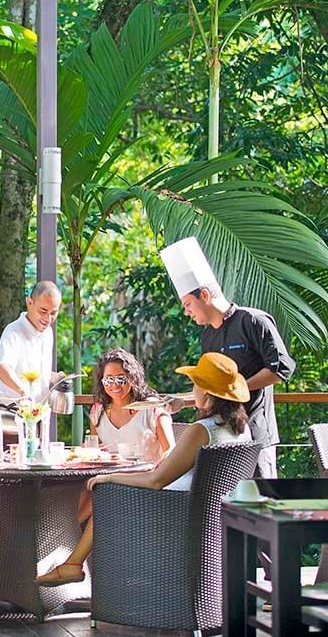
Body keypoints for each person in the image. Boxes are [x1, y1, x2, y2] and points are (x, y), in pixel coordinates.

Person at [36, 352, 252, 586]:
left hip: (176, 509)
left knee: (106, 495)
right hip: (214, 511)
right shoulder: (240, 428)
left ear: (207, 391)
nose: (193, 389)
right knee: (100, 492)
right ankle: (73, 563)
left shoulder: (201, 430)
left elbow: (156, 481)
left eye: (196, 384)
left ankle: (75, 565)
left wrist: (110, 478)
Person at [161, 237, 295, 478]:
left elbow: (281, 368)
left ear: (204, 294)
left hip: (255, 435)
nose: (186, 312)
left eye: (188, 303)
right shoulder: (207, 338)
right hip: (220, 440)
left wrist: (239, 387)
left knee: (260, 505)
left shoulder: (253, 321)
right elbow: (212, 387)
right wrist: (183, 401)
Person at [0, 281, 66, 438]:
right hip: (12, 415)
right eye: (43, 311)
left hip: (38, 416)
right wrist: (23, 391)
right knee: (11, 461)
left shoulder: (47, 334)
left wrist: (55, 377)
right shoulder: (13, 331)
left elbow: (35, 370)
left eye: (53, 313)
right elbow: (2, 368)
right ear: (30, 303)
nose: (48, 319)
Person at [88, 348, 177, 464]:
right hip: (108, 477)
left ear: (133, 378)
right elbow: (95, 452)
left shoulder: (153, 408)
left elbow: (171, 451)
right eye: (109, 379)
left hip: (146, 477)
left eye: (121, 379)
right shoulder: (98, 412)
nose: (115, 385)